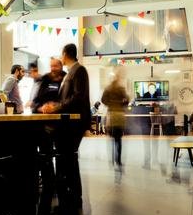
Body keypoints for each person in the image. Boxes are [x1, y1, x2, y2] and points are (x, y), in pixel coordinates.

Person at [41, 43, 91, 202]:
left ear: (65, 54)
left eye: (61, 54)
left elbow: (77, 97)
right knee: (67, 157)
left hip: (75, 123)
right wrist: (54, 106)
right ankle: (68, 196)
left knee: (68, 157)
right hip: (68, 123)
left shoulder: (79, 70)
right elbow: (67, 98)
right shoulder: (71, 71)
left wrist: (55, 108)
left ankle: (73, 197)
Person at [101, 71, 129, 169]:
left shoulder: (108, 88)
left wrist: (110, 104)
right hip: (119, 114)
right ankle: (118, 160)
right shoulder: (121, 89)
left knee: (112, 138)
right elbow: (127, 100)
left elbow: (103, 100)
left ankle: (112, 160)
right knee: (118, 139)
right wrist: (121, 104)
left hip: (112, 114)